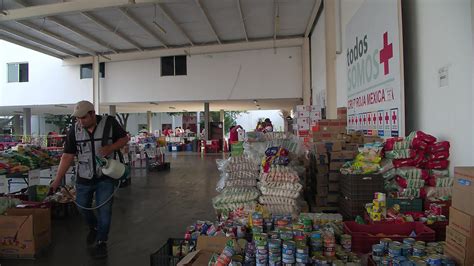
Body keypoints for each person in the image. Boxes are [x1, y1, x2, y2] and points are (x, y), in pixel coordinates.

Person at [50, 100, 129, 259]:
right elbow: (67, 156)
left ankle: (101, 242)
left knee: (104, 211)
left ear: (93, 114)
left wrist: (111, 148)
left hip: (105, 176)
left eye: (83, 118)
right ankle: (94, 227)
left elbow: (124, 139)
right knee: (82, 207)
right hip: (84, 177)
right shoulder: (74, 130)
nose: (80, 121)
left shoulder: (109, 123)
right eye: (78, 118)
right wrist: (57, 180)